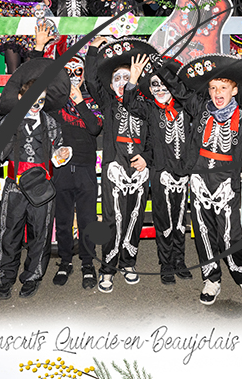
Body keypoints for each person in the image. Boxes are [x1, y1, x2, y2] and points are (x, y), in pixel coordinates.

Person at [156, 54, 242, 305]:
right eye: (213, 88)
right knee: (203, 232)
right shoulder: (200, 108)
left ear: (235, 90)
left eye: (223, 87)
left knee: (231, 235)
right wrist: (161, 67)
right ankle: (211, 278)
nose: (217, 93)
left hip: (225, 183)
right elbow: (179, 90)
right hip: (200, 180)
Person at [0, 59, 72, 299]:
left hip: (42, 187)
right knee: (9, 234)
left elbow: (58, 151)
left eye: (40, 100)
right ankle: (5, 278)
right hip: (15, 186)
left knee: (40, 235)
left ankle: (32, 277)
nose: (36, 105)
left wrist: (62, 153)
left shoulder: (51, 123)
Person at [28, 26, 103, 290]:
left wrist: (81, 101)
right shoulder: (53, 100)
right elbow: (32, 84)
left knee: (87, 219)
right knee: (62, 219)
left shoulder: (91, 100)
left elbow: (95, 128)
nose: (73, 77)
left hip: (85, 168)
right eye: (68, 72)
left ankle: (87, 263)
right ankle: (65, 261)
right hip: (60, 169)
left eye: (77, 72)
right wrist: (38, 49)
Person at [85, 37, 154, 293]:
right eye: (118, 78)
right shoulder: (108, 102)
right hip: (115, 165)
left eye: (128, 77)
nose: (122, 82)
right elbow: (91, 80)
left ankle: (129, 263)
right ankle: (108, 267)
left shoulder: (145, 105)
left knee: (135, 217)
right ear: (111, 83)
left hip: (139, 166)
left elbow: (156, 137)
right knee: (112, 218)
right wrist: (93, 49)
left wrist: (147, 156)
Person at [124, 54, 193, 285]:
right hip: (161, 172)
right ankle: (166, 263)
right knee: (163, 220)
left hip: (182, 172)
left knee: (180, 219)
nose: (161, 89)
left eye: (164, 84)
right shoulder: (150, 109)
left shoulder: (185, 107)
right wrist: (133, 79)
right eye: (155, 85)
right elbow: (130, 104)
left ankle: (179, 260)